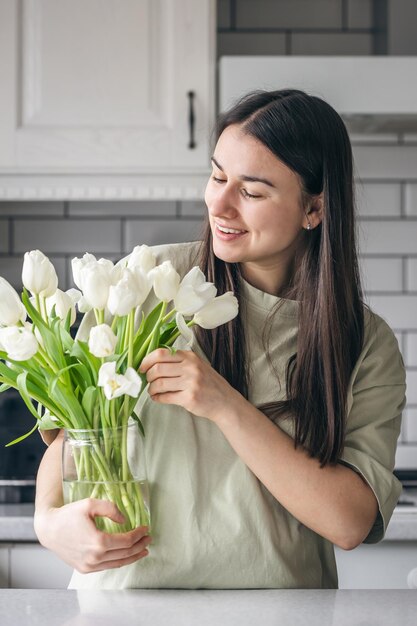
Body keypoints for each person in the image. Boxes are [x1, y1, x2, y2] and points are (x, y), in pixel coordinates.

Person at [34, 89, 406, 589]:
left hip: (283, 616)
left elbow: (349, 524)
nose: (220, 205)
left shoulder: (366, 343)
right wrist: (49, 523)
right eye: (216, 177)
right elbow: (71, 438)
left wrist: (222, 403)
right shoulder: (147, 281)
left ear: (314, 209)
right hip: (128, 606)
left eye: (251, 192)